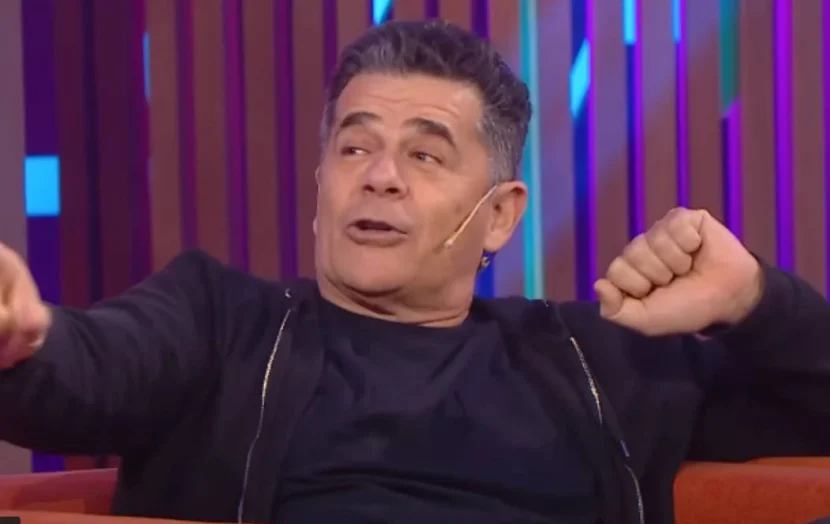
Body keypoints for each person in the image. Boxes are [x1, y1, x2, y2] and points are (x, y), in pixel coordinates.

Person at [0, 19, 828, 524]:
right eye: (354, 147)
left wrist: (758, 299)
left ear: (499, 214)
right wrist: (24, 335)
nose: (380, 176)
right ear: (321, 184)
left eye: (425, 155)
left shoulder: (602, 362)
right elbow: (86, 370)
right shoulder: (220, 323)